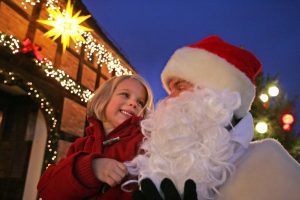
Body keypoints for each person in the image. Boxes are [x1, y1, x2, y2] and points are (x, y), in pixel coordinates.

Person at [133, 35, 300, 200]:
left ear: (218, 97)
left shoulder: (268, 162)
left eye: (180, 87)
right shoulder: (163, 166)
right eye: (170, 91)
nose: (168, 100)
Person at [37, 74, 154, 200]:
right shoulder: (81, 145)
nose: (133, 103)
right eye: (125, 95)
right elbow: (47, 190)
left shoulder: (143, 144)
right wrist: (90, 168)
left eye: (140, 102)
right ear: (104, 98)